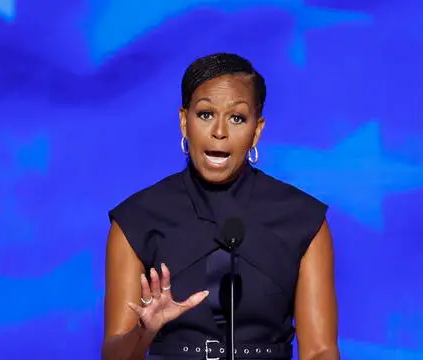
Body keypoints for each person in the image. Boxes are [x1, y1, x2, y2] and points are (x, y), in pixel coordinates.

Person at [102, 53, 339, 360]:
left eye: (237, 118)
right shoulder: (136, 220)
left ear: (257, 130)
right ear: (184, 122)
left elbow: (320, 351)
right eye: (205, 114)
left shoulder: (303, 220)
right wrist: (144, 331)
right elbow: (113, 356)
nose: (219, 131)